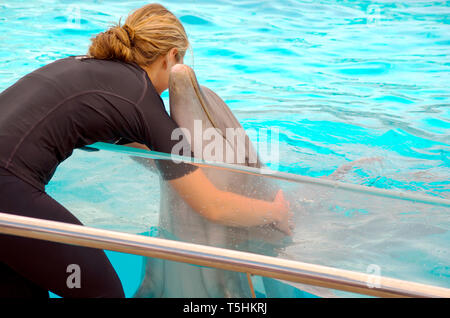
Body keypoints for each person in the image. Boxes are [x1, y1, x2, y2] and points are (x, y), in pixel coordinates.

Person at [0, 3, 292, 298]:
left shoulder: (90, 68)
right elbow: (211, 205)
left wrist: (187, 170)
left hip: (8, 188)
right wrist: (273, 212)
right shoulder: (142, 99)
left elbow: (142, 148)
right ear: (171, 57)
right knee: (104, 292)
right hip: (8, 191)